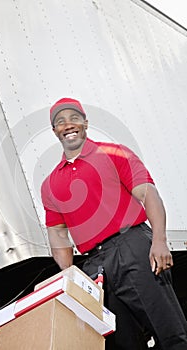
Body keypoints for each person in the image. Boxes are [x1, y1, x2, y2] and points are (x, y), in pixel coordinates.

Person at [41, 97, 187, 349]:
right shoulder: (50, 184)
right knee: (122, 342)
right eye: (60, 122)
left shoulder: (113, 153)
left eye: (74, 118)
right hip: (95, 267)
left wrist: (160, 240)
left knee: (169, 332)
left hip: (133, 247)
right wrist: (68, 275)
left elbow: (148, 194)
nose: (68, 125)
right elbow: (57, 234)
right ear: (55, 131)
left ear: (85, 122)